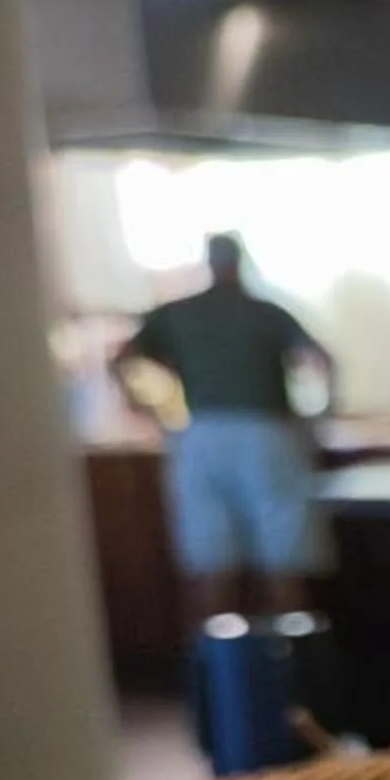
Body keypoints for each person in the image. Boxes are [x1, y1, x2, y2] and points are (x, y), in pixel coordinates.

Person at [111, 234, 336, 622]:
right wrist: (320, 418)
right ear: (241, 262)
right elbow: (324, 361)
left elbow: (119, 360)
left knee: (214, 558)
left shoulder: (179, 313)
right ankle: (287, 670)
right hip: (267, 436)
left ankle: (220, 673)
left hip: (203, 438)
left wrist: (142, 409)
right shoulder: (265, 312)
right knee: (282, 556)